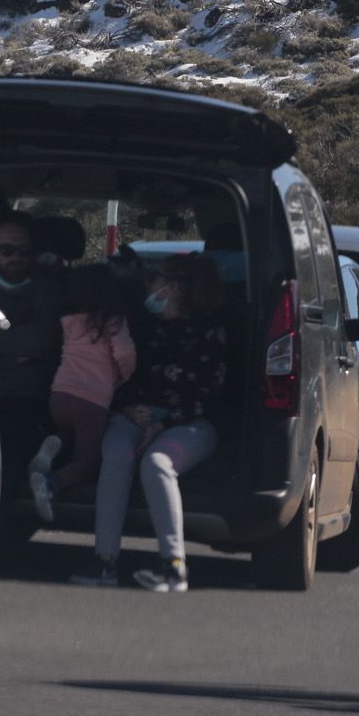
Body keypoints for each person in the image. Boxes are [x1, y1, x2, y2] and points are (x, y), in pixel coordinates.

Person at [72, 254, 231, 593]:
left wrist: (162, 424)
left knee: (157, 463)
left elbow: (208, 395)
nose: (148, 290)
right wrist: (129, 408)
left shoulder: (211, 332)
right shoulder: (144, 326)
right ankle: (104, 561)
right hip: (138, 414)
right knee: (115, 454)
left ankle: (173, 566)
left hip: (190, 422)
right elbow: (121, 375)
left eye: (153, 283)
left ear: (175, 287)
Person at [0, 212, 67, 493]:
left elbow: (41, 340)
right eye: (7, 250)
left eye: (24, 251)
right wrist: (14, 352)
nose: (16, 257)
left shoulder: (50, 292)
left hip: (31, 400)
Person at [30, 283, 138, 520]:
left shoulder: (70, 321)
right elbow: (124, 353)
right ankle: (50, 483)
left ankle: (54, 442)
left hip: (59, 394)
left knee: (71, 430)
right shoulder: (114, 322)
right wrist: (124, 375)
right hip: (92, 400)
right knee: (88, 463)